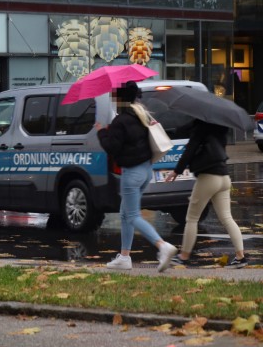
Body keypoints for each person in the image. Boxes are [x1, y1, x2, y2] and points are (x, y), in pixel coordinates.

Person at [95, 80, 177, 272]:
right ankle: (124, 257)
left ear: (120, 99)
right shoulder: (141, 115)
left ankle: (162, 246)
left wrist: (101, 133)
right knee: (125, 214)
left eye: (114, 96)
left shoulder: (120, 121)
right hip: (146, 170)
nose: (112, 100)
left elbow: (111, 148)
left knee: (132, 216)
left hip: (131, 174)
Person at [165, 120, 248, 268]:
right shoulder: (221, 128)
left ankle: (183, 256)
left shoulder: (200, 128)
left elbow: (189, 150)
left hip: (208, 177)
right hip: (224, 177)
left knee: (191, 218)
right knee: (227, 218)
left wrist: (176, 171)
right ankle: (240, 257)